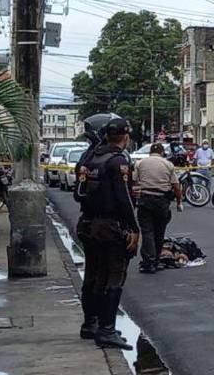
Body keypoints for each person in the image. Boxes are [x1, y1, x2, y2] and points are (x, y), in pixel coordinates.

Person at [75, 119, 140, 350]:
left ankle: (90, 324)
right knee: (114, 276)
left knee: (93, 274)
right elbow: (124, 199)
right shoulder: (118, 161)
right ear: (125, 137)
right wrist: (134, 229)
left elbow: (78, 193)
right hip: (110, 226)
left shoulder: (88, 158)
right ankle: (107, 329)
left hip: (88, 223)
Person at [133, 143, 183, 274]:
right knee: (159, 232)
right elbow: (176, 186)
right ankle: (155, 261)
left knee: (147, 231)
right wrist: (179, 202)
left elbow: (134, 182)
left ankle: (148, 261)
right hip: (162, 201)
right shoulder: (168, 164)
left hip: (145, 200)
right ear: (162, 152)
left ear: (150, 152)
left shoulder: (140, 163)